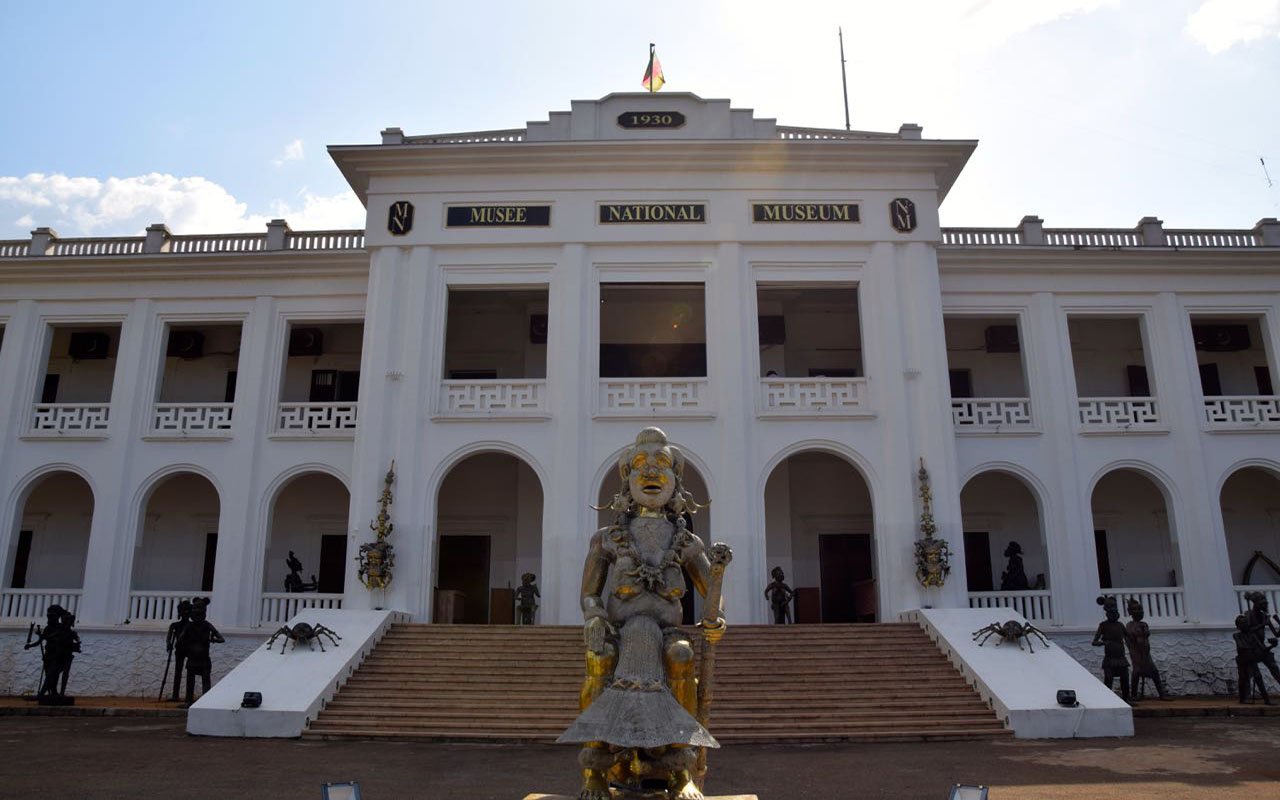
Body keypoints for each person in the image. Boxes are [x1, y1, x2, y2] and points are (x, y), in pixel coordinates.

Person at [559, 427, 723, 800]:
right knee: (600, 657)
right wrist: (595, 617)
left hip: (665, 633)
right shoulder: (606, 539)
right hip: (619, 629)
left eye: (661, 465)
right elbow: (589, 595)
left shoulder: (686, 542)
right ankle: (594, 770)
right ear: (626, 481)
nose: (651, 473)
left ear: (676, 482)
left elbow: (710, 595)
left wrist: (716, 615)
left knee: (681, 656)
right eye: (640, 466)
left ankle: (681, 771)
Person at [178, 597, 224, 705]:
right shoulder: (203, 625)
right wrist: (212, 639)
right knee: (196, 681)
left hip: (199, 658)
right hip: (198, 657)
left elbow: (180, 640)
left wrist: (211, 639)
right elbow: (221, 639)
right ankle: (200, 701)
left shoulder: (194, 626)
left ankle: (193, 701)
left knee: (198, 681)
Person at [1123, 598, 1168, 700]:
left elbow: (1146, 634)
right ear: (1130, 612)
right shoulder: (1129, 625)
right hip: (1136, 653)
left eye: (1140, 609)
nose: (1139, 612)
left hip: (1146, 653)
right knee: (1137, 671)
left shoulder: (1144, 624)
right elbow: (1131, 637)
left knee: (1154, 671)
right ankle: (1133, 694)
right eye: (1136, 610)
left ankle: (1162, 694)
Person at [1091, 596, 1129, 701]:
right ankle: (1107, 700)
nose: (1113, 609)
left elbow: (1128, 637)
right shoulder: (1103, 625)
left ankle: (1126, 699)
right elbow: (1094, 642)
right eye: (1110, 606)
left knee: (1125, 679)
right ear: (1106, 609)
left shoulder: (1120, 625)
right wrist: (1104, 643)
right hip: (1110, 659)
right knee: (1108, 680)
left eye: (1114, 606)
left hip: (1121, 658)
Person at [1234, 614, 1273, 705]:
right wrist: (1252, 647)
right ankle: (1242, 699)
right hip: (1243, 660)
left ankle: (1267, 700)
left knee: (1258, 677)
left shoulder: (1252, 635)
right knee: (1243, 680)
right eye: (1243, 623)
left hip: (1251, 659)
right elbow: (1241, 646)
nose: (1245, 625)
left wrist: (1272, 645)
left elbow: (1262, 648)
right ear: (1238, 626)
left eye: (1246, 623)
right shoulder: (1237, 635)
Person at [165, 600, 193, 701]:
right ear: (179, 612)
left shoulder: (192, 625)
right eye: (183, 611)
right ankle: (175, 695)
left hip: (190, 650)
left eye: (187, 611)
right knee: (178, 672)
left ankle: (188, 696)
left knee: (191, 672)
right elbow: (169, 637)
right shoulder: (175, 625)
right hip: (180, 650)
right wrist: (169, 644)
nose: (185, 613)